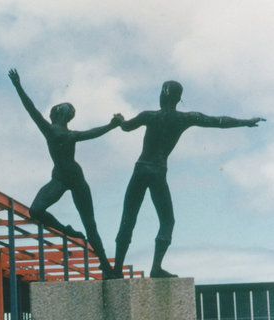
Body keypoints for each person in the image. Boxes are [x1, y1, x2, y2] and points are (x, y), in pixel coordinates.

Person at [113, 81, 265, 278]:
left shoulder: (149, 116)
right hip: (158, 171)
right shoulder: (184, 118)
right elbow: (217, 121)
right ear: (178, 99)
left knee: (128, 218)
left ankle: (117, 269)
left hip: (141, 169)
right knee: (167, 221)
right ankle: (156, 267)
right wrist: (245, 121)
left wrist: (118, 120)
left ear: (162, 96)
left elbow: (125, 127)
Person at [9, 69, 122, 274]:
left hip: (74, 179)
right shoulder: (60, 132)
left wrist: (18, 86)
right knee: (37, 210)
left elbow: (31, 109)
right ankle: (68, 231)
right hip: (60, 177)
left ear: (58, 115)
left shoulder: (59, 132)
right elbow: (92, 132)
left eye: (54, 112)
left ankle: (105, 264)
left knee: (90, 225)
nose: (51, 114)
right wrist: (112, 125)